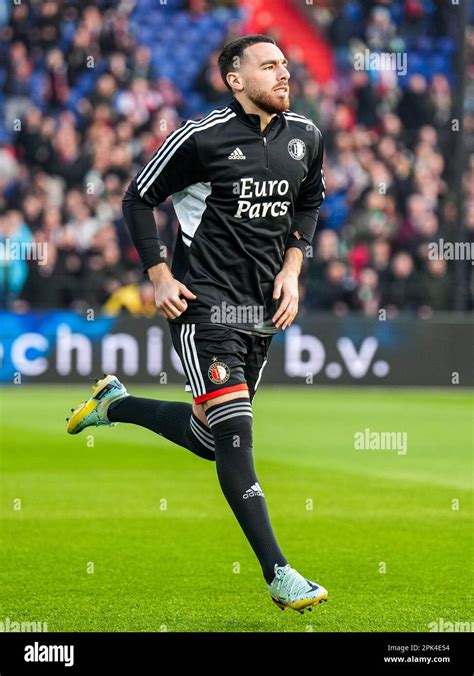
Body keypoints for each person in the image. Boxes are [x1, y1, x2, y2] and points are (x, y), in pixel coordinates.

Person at [66, 34, 328, 613]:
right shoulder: (201, 138)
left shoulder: (306, 136)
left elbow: (309, 200)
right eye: (269, 66)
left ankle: (116, 405)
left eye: (285, 64)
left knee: (212, 440)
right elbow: (138, 199)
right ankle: (279, 574)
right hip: (203, 308)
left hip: (261, 314)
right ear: (235, 79)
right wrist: (158, 275)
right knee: (237, 437)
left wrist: (293, 269)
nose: (284, 73)